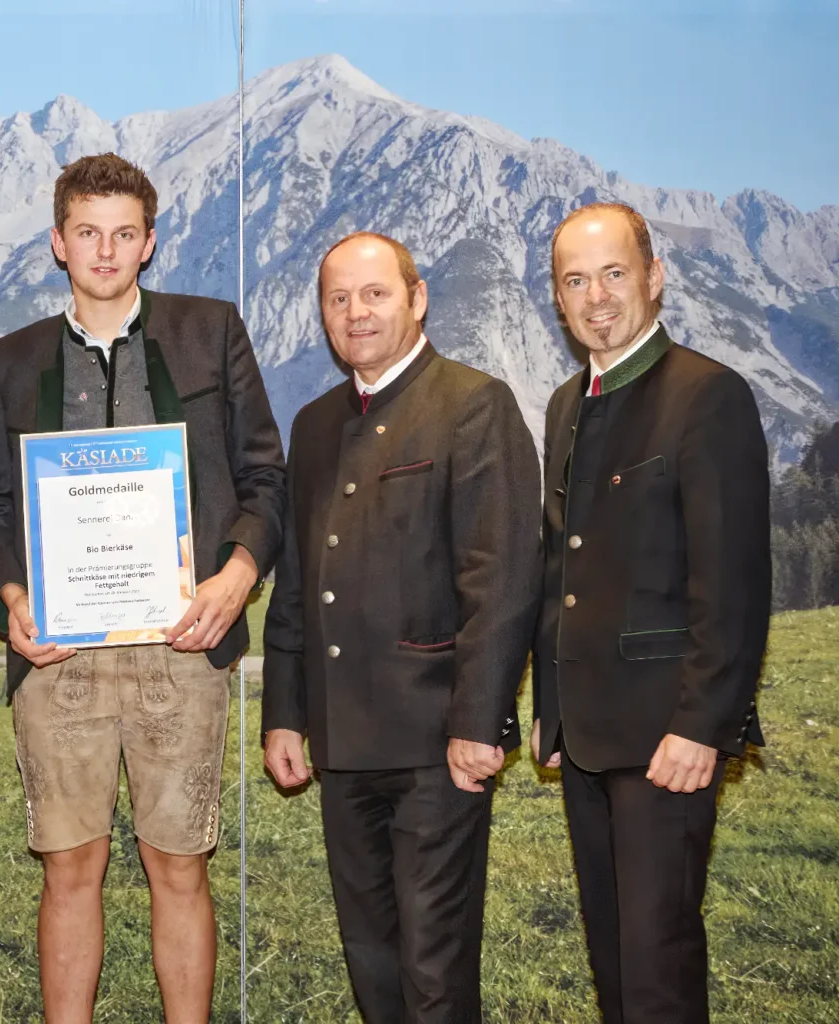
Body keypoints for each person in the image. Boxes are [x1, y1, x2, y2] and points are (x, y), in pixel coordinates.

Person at [0, 153, 285, 1023]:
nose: (106, 250)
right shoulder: (9, 359)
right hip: (60, 655)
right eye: (87, 233)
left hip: (183, 648)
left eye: (124, 234)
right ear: (59, 243)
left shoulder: (211, 329)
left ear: (149, 242)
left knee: (179, 867)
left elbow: (266, 478)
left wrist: (238, 573)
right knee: (70, 870)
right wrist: (11, 599)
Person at [261, 232, 541, 1023]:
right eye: (338, 298)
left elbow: (505, 576)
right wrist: (284, 711)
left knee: (433, 967)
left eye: (375, 293)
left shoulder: (474, 403)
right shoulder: (315, 424)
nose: (356, 312)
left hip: (437, 744)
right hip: (342, 744)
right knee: (372, 961)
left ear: (417, 299)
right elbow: (296, 583)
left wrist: (480, 720)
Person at [532, 202, 770, 1024]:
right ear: (558, 300)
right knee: (612, 963)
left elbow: (732, 586)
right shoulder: (568, 404)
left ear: (654, 278)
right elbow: (560, 565)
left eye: (613, 273)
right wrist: (550, 713)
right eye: (575, 280)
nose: (596, 296)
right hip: (587, 738)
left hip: (668, 737)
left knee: (657, 969)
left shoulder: (709, 395)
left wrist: (704, 726)